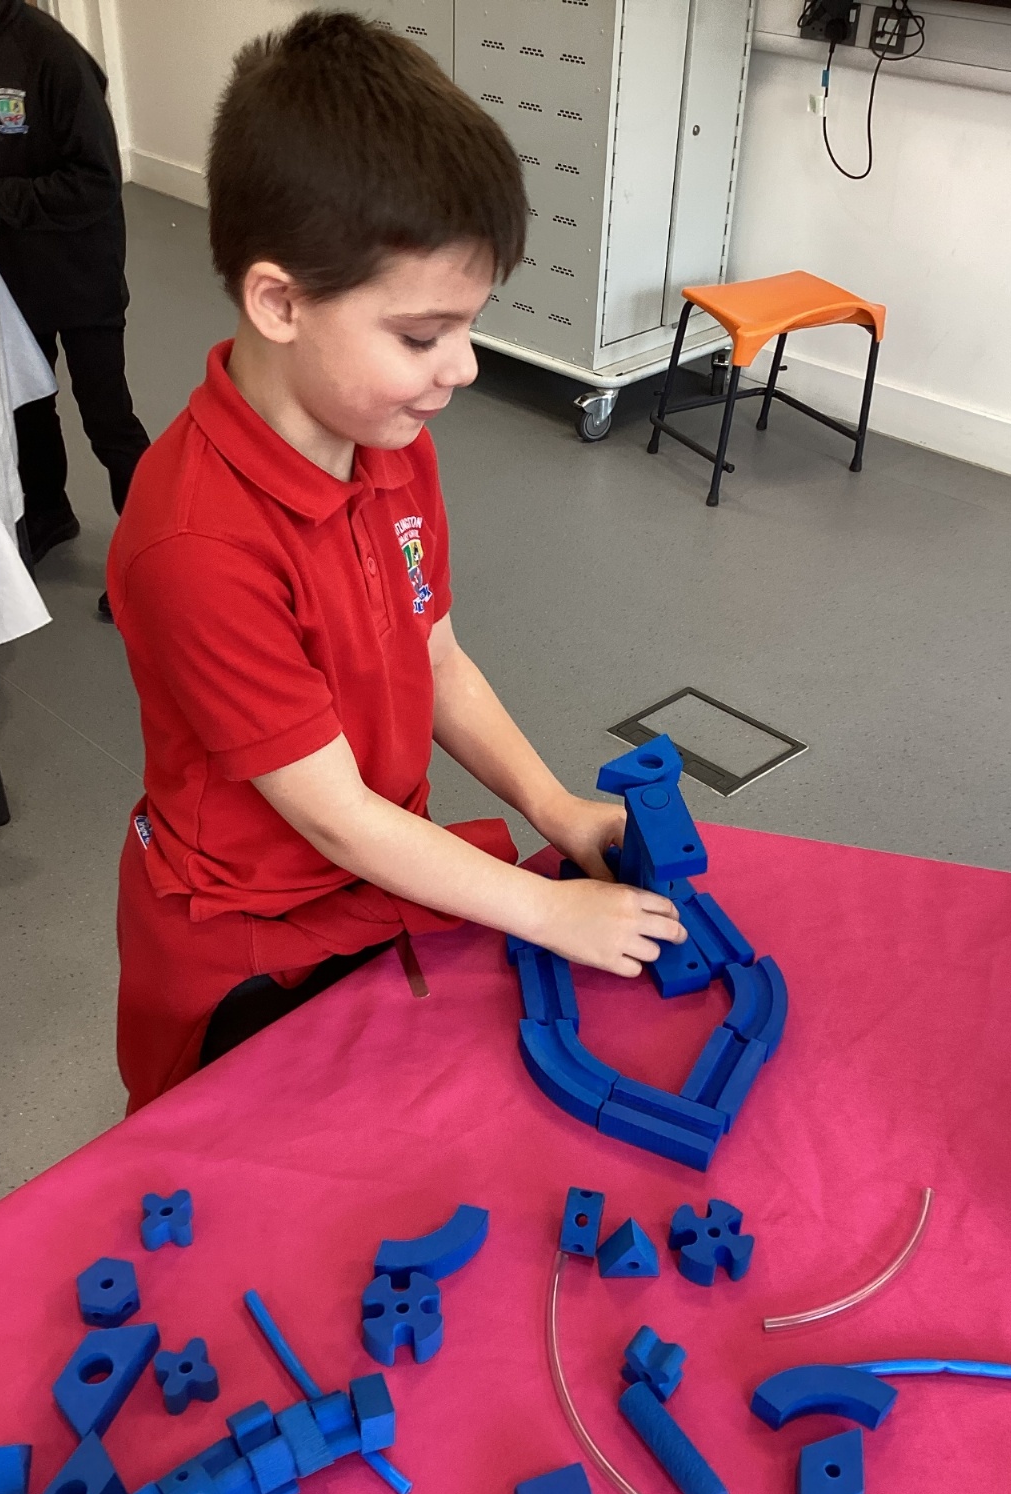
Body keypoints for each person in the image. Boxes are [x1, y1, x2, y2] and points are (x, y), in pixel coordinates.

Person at [107, 12, 687, 1112]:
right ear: (279, 301)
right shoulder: (195, 543)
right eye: (423, 335)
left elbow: (438, 658)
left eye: (469, 325)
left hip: (380, 870)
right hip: (259, 930)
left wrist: (557, 809)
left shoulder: (391, 442)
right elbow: (332, 813)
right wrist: (548, 910)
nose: (461, 368)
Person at [0, 0, 149, 603]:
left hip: (80, 271)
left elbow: (96, 180)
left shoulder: (50, 52)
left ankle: (152, 556)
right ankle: (49, 512)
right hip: (2, 272)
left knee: (107, 416)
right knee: (27, 404)